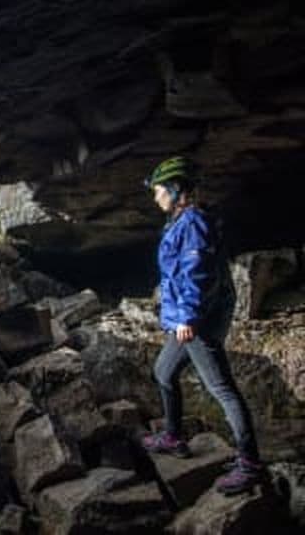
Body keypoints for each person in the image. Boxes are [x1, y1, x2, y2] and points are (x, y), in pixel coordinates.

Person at [140, 156, 263, 495]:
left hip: (196, 321)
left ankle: (250, 463)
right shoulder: (181, 221)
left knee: (222, 389)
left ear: (175, 190)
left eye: (158, 190)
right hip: (187, 318)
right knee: (164, 372)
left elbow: (198, 275)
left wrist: (187, 318)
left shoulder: (192, 222)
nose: (155, 197)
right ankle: (173, 437)